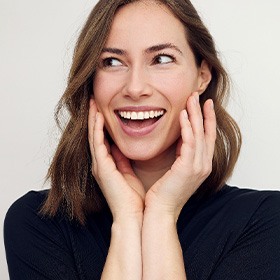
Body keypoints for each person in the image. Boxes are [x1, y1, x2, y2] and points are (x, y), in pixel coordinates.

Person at [4, 0, 280, 279]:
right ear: (90, 80)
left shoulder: (266, 222)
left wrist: (161, 214)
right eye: (112, 62)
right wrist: (127, 220)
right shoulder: (37, 223)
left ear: (202, 76)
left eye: (161, 59)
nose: (135, 88)